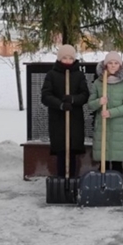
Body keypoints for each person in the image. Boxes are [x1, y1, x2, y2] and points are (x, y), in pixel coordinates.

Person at [41, 44, 90, 177]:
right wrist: (60, 104)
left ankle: (72, 178)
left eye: (70, 58)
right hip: (58, 120)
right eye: (65, 58)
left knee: (72, 151)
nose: (68, 61)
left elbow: (85, 95)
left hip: (74, 120)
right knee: (62, 151)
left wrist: (73, 99)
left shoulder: (78, 75)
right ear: (59, 59)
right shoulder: (52, 75)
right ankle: (62, 178)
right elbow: (46, 96)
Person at [88, 52, 123, 177]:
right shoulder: (98, 83)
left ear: (120, 66)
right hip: (102, 126)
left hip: (118, 127)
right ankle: (102, 183)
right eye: (110, 63)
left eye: (116, 63)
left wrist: (111, 112)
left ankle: (117, 184)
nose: (113, 66)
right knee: (104, 160)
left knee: (117, 161)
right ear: (105, 65)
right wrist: (99, 102)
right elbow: (90, 104)